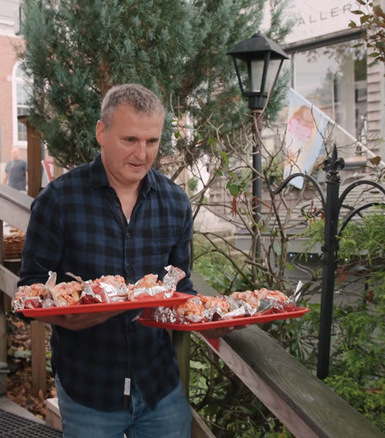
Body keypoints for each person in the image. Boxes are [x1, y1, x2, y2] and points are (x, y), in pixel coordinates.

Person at [18, 84, 231, 438]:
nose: (142, 154)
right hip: (89, 387)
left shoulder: (176, 203)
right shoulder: (58, 201)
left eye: (152, 141)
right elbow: (29, 291)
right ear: (102, 132)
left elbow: (179, 289)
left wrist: (210, 321)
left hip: (159, 386)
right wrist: (66, 318)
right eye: (130, 139)